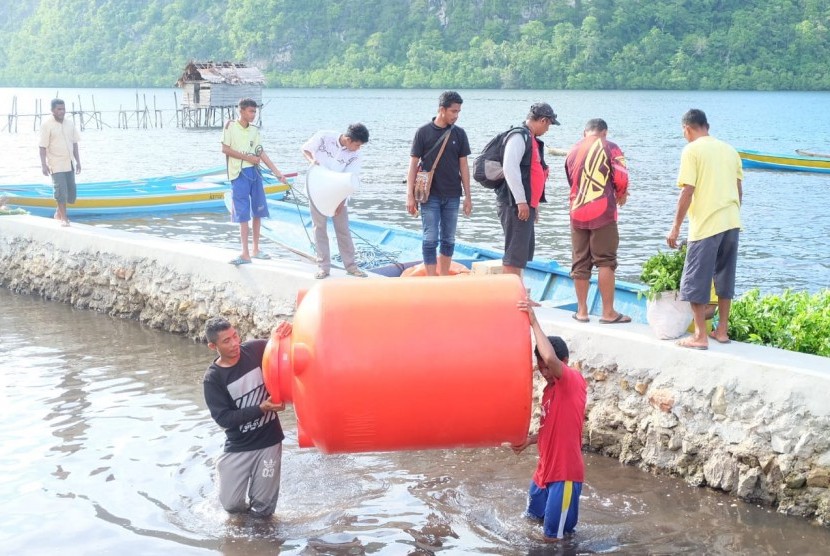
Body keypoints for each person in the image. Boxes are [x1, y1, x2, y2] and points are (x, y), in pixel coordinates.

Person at [666, 109, 743, 349]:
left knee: (695, 280)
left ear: (687, 128)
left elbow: (687, 190)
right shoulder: (730, 150)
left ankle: (700, 336)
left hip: (706, 225)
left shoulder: (692, 150)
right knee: (724, 277)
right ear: (706, 126)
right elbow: (738, 189)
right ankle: (722, 330)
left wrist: (675, 227)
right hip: (731, 221)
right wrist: (734, 215)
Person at [513, 299, 587, 542]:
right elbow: (552, 428)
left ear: (563, 362)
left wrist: (533, 321)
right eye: (541, 368)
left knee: (553, 540)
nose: (545, 372)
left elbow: (550, 358)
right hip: (543, 472)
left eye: (548, 367)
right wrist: (530, 440)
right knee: (531, 522)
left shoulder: (572, 380)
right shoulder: (549, 391)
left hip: (564, 474)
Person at [203, 316, 290, 518]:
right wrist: (261, 408)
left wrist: (289, 328)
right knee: (231, 506)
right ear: (212, 346)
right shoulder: (213, 379)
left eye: (235, 336)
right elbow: (224, 419)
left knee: (264, 510)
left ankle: (261, 541)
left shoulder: (256, 350)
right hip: (239, 445)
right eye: (227, 341)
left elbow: (285, 348)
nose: (235, 344)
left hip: (269, 442)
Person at [565, 118, 631, 324]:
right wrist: (621, 193)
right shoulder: (610, 147)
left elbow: (570, 178)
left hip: (577, 211)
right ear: (604, 132)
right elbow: (621, 176)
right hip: (602, 212)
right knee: (606, 261)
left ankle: (582, 311)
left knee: (580, 262)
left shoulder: (572, 150)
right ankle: (608, 312)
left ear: (585, 132)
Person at [406, 91, 472, 276]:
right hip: (429, 195)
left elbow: (464, 166)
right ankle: (431, 278)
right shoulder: (423, 132)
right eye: (453, 111)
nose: (456, 115)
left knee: (449, 239)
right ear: (441, 110)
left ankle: (442, 277)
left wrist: (468, 196)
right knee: (430, 238)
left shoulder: (459, 134)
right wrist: (410, 196)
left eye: (458, 111)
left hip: (452, 194)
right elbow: (412, 165)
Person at [222, 98, 289, 265]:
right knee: (243, 214)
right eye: (251, 111)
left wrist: (277, 173)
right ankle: (245, 253)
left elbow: (261, 152)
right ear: (242, 111)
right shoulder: (230, 126)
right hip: (239, 174)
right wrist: (248, 158)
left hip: (255, 173)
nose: (253, 115)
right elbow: (225, 149)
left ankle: (256, 249)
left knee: (258, 211)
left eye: (255, 112)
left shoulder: (254, 130)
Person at [301, 123, 370, 279]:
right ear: (348, 139)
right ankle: (323, 267)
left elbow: (350, 180)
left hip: (339, 192)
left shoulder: (356, 155)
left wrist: (340, 202)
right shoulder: (325, 136)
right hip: (317, 188)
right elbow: (305, 148)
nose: (358, 148)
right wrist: (312, 160)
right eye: (357, 145)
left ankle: (351, 266)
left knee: (343, 229)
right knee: (319, 228)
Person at [496, 102, 558, 277]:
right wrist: (521, 201)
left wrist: (534, 205)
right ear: (543, 120)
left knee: (521, 253)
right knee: (513, 254)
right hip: (514, 204)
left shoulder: (531, 139)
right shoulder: (519, 136)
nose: (548, 129)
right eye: (549, 125)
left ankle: (519, 293)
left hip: (525, 204)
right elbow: (510, 168)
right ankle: (514, 297)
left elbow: (530, 174)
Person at [39, 98, 81, 227]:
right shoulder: (47, 125)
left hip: (69, 162)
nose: (62, 111)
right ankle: (64, 218)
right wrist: (43, 165)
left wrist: (78, 162)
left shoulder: (70, 124)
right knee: (61, 192)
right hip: (56, 164)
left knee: (70, 193)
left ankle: (58, 213)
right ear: (52, 110)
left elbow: (74, 144)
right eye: (59, 109)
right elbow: (42, 146)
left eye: (63, 109)